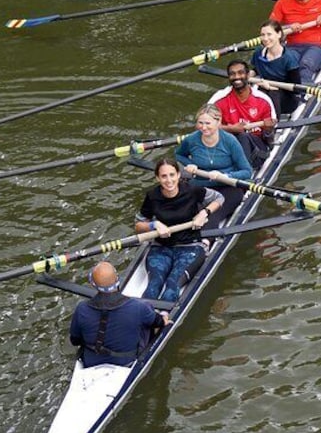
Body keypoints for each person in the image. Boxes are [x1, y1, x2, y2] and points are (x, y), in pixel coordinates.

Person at [135, 158, 225, 303]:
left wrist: (204, 213)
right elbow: (139, 226)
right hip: (161, 247)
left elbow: (219, 198)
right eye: (164, 176)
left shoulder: (192, 190)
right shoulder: (152, 196)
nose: (169, 180)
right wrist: (154, 225)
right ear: (157, 178)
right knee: (153, 285)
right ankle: (144, 318)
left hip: (191, 247)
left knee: (172, 284)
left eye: (172, 175)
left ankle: (164, 318)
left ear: (178, 175)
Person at [69, 261, 171, 368]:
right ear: (117, 281)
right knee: (149, 319)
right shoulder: (138, 307)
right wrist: (164, 318)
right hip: (126, 362)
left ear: (93, 284)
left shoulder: (81, 309)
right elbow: (159, 322)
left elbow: (75, 341)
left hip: (91, 363)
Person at [175, 103, 252, 229]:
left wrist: (225, 175)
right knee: (184, 212)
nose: (203, 128)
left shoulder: (230, 141)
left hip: (227, 187)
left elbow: (247, 172)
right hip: (201, 186)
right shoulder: (191, 140)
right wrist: (190, 164)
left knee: (211, 216)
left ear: (218, 122)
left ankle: (205, 243)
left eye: (207, 123)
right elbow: (179, 155)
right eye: (200, 123)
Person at [208, 59, 277, 169]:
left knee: (243, 136)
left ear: (248, 75)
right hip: (227, 148)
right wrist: (231, 129)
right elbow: (205, 126)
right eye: (232, 74)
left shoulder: (263, 100)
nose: (236, 77)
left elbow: (269, 141)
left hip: (257, 151)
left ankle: (243, 173)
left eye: (240, 73)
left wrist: (268, 130)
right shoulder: (219, 99)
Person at [250, 19, 302, 115]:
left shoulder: (289, 58)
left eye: (269, 34)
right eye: (262, 35)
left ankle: (272, 125)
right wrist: (248, 75)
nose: (265, 39)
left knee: (272, 93)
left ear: (279, 34)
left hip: (287, 98)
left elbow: (297, 88)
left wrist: (272, 87)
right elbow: (257, 68)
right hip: (265, 88)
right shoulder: (258, 53)